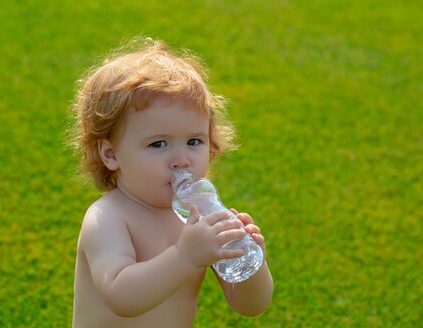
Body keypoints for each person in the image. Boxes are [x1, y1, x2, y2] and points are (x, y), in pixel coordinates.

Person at [70, 37, 273, 327]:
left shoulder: (200, 216)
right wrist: (185, 256)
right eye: (158, 144)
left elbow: (250, 305)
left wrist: (253, 265)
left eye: (193, 141)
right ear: (111, 154)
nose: (181, 159)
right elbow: (121, 295)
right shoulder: (108, 218)